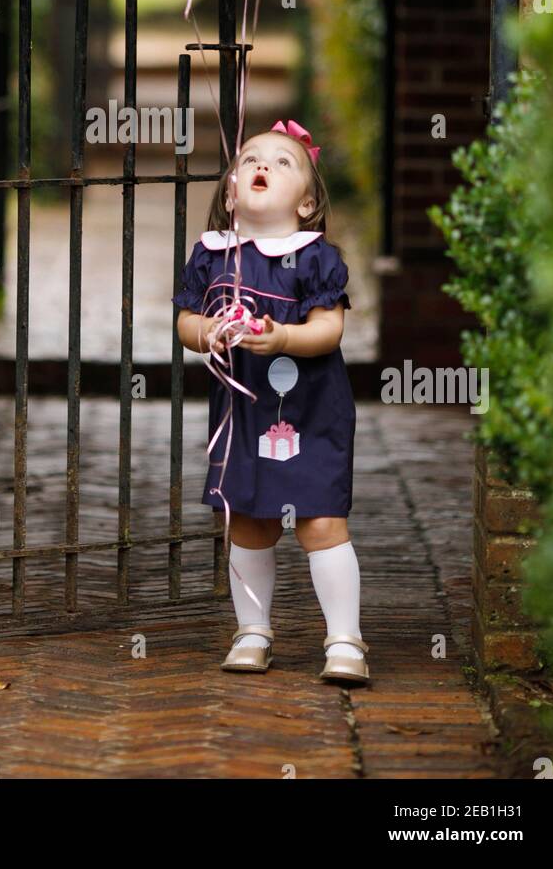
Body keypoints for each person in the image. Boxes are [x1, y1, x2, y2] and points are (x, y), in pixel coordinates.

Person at [173, 118, 369, 683]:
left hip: (310, 412)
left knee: (321, 523)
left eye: (283, 162)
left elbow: (329, 331)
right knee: (249, 523)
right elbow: (186, 320)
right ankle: (253, 630)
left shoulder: (314, 257)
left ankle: (344, 640)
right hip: (244, 412)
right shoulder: (212, 255)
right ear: (231, 189)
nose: (262, 165)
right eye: (250, 158)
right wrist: (206, 333)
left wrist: (282, 337)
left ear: (306, 203)